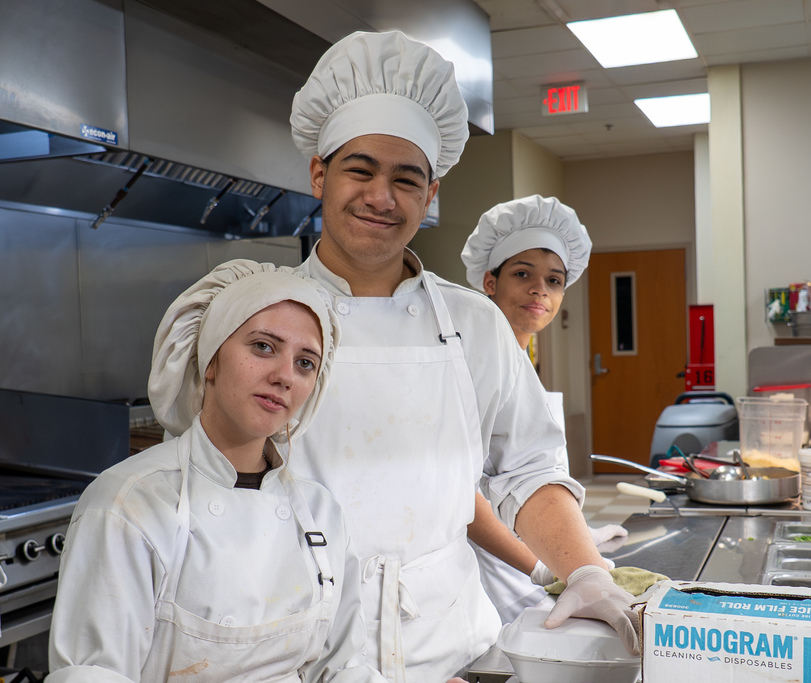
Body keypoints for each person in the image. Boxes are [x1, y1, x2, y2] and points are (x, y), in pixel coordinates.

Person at [287, 30, 640, 682]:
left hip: (456, 653)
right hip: (306, 654)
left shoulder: (473, 324)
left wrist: (583, 570)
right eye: (359, 169)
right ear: (318, 173)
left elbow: (528, 471)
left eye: (406, 178)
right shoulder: (262, 321)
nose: (381, 196)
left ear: (431, 194)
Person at [47, 262, 387, 683]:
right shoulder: (129, 504)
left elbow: (341, 671)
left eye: (305, 363)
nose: (284, 376)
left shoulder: (320, 514)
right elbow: (94, 676)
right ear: (209, 360)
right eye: (263, 346)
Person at [460, 194, 627, 624]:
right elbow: (461, 495)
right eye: (522, 274)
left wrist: (576, 540)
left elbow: (527, 469)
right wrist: (542, 567)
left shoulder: (525, 361)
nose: (540, 289)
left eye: (554, 281)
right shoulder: (470, 365)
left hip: (530, 550)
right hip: (494, 569)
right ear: (490, 282)